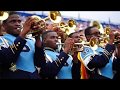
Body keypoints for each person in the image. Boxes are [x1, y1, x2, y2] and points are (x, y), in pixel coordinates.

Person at [0, 11, 45, 79]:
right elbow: (6, 60)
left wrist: (38, 37)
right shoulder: (2, 40)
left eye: (19, 21)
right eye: (13, 21)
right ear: (4, 25)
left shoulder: (31, 40)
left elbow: (40, 63)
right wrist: (23, 33)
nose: (17, 24)